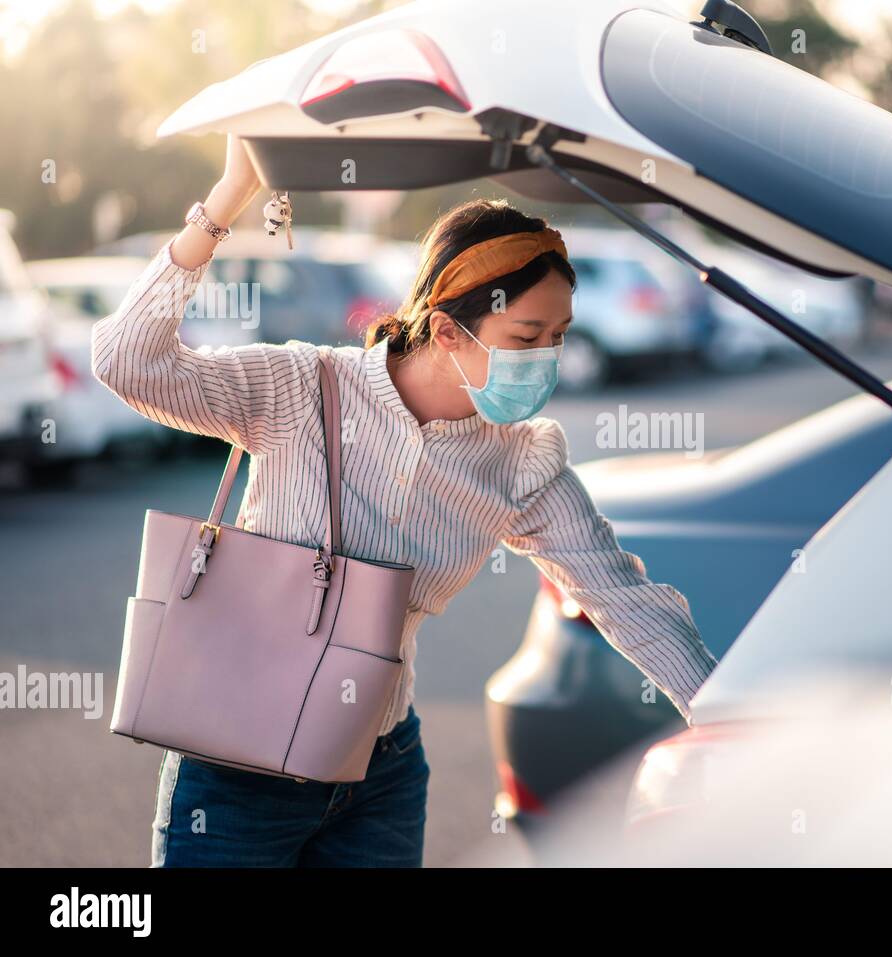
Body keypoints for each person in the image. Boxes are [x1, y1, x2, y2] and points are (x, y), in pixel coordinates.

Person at [91, 134, 719, 867]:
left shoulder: (522, 461)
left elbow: (626, 598)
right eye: (526, 335)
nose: (547, 357)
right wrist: (226, 200)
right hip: (238, 771)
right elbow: (127, 361)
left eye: (558, 335)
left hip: (379, 774)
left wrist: (731, 721)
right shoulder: (304, 386)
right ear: (448, 330)